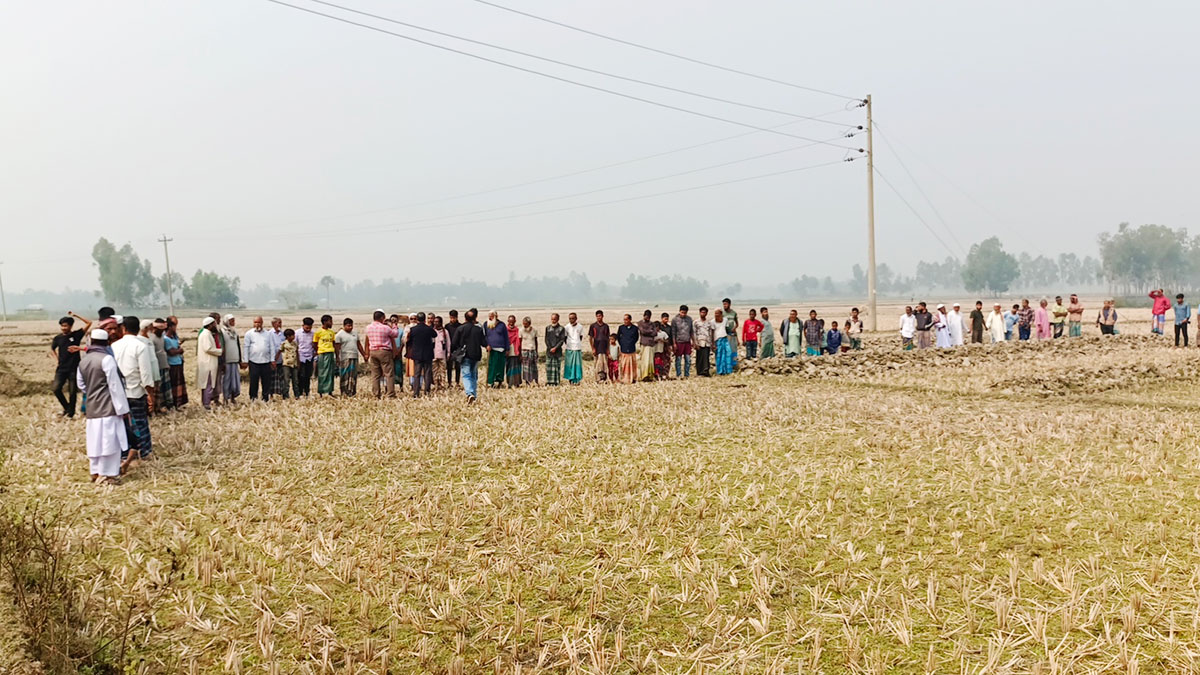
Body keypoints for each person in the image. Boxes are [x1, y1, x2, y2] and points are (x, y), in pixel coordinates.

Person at [76, 328, 129, 485]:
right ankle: (108, 474)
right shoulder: (107, 359)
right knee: (109, 441)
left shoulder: (83, 361)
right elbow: (115, 385)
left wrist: (93, 392)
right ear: (106, 343)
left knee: (95, 441)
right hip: (109, 406)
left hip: (92, 407)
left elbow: (81, 385)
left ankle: (95, 471)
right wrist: (123, 408)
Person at [113, 316, 156, 466]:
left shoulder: (114, 346)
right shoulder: (140, 346)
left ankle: (125, 453)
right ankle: (144, 451)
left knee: (123, 425)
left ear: (123, 328)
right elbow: (145, 373)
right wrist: (150, 394)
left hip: (119, 392)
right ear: (138, 329)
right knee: (140, 422)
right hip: (136, 391)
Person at [50, 312, 91, 418]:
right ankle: (67, 408)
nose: (63, 328)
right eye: (62, 326)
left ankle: (70, 413)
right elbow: (52, 350)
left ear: (70, 326)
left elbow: (89, 323)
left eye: (65, 325)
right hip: (62, 368)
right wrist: (57, 360)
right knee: (56, 388)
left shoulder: (76, 335)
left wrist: (76, 315)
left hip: (74, 368)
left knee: (73, 392)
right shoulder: (57, 338)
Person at [454, 308, 485, 403]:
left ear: (465, 318)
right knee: (473, 375)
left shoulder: (460, 329)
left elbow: (454, 343)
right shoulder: (478, 329)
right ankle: (473, 395)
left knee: (466, 375)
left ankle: (469, 393)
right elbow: (483, 342)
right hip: (476, 355)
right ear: (475, 318)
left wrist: (456, 351)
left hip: (465, 355)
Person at [365, 310, 398, 399]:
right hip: (384, 351)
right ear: (382, 318)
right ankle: (390, 394)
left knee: (375, 375)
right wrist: (394, 325)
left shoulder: (368, 327)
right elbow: (395, 334)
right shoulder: (385, 328)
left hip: (373, 351)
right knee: (389, 373)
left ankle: (376, 394)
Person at [243, 316, 277, 402]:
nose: (257, 324)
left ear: (262, 323)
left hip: (266, 361)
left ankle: (265, 398)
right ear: (253, 323)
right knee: (254, 381)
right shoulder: (249, 334)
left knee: (266, 381)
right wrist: (245, 361)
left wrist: (272, 359)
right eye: (255, 322)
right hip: (253, 361)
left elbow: (272, 347)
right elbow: (246, 347)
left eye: (259, 322)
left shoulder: (268, 334)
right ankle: (253, 398)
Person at [406, 312, 435, 397]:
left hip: (417, 355)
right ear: (425, 319)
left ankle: (416, 393)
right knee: (427, 373)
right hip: (428, 354)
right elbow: (435, 334)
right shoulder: (428, 329)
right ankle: (427, 392)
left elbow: (409, 341)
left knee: (417, 374)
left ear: (417, 320)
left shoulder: (413, 330)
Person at [197, 317, 223, 409]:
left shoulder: (207, 333)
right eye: (214, 324)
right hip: (207, 363)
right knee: (208, 384)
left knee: (207, 384)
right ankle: (206, 404)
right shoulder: (206, 335)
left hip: (208, 363)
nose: (215, 326)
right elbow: (208, 348)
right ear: (210, 325)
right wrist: (220, 351)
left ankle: (205, 402)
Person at [148, 319, 172, 412]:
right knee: (158, 389)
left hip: (164, 364)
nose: (162, 331)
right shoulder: (151, 338)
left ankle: (167, 405)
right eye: (160, 329)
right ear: (155, 328)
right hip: (156, 366)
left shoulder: (162, 336)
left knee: (166, 387)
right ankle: (157, 407)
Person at [335, 318, 363, 397]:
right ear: (344, 326)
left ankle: (352, 391)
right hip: (345, 357)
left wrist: (364, 354)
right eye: (348, 326)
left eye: (351, 326)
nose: (350, 327)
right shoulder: (339, 335)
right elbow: (337, 348)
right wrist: (337, 357)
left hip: (354, 356)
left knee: (353, 375)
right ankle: (344, 391)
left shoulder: (355, 333)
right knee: (345, 374)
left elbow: (359, 345)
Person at [164, 317, 188, 408]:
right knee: (174, 384)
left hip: (178, 362)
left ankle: (179, 402)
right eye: (174, 326)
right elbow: (171, 352)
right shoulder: (166, 339)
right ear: (170, 327)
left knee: (179, 384)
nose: (175, 328)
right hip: (172, 364)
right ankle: (173, 403)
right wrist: (179, 350)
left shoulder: (173, 337)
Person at [313, 315, 338, 397]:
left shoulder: (331, 332)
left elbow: (334, 343)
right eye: (330, 321)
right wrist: (319, 351)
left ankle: (330, 391)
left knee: (330, 373)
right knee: (322, 373)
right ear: (325, 322)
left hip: (330, 353)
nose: (332, 323)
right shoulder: (318, 332)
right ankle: (321, 391)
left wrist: (336, 355)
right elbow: (314, 343)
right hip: (322, 354)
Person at [219, 315, 242, 403]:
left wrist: (240, 360)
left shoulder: (234, 332)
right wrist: (222, 361)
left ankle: (233, 397)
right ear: (227, 322)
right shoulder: (222, 332)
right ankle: (225, 398)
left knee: (234, 380)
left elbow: (238, 346)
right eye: (231, 321)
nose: (233, 323)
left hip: (234, 360)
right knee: (226, 380)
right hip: (227, 360)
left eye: (234, 321)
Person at [668, 306, 694, 377]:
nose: (683, 314)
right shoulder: (675, 320)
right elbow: (673, 333)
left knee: (688, 360)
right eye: (682, 312)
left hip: (687, 341)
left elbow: (691, 331)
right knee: (678, 360)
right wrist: (674, 343)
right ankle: (678, 374)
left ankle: (687, 374)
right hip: (679, 342)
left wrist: (693, 341)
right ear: (679, 311)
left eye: (685, 313)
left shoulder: (689, 319)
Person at [484, 311, 508, 388]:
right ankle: (491, 382)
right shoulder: (486, 324)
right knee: (492, 366)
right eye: (489, 316)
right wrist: (486, 345)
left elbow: (506, 337)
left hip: (501, 349)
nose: (490, 317)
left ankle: (499, 381)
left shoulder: (502, 325)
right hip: (492, 349)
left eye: (492, 316)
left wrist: (507, 348)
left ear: (496, 316)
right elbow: (484, 336)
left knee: (500, 366)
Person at [563, 312, 586, 385]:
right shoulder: (566, 327)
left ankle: (577, 379)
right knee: (569, 364)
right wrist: (569, 344)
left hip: (577, 348)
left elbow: (580, 337)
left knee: (577, 364)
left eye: (573, 318)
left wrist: (576, 343)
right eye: (570, 318)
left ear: (576, 318)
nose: (571, 320)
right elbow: (565, 338)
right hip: (569, 348)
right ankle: (570, 379)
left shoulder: (580, 327)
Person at [587, 311, 609, 383]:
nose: (599, 317)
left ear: (603, 316)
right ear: (596, 316)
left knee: (604, 363)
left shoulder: (606, 326)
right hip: (597, 347)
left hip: (604, 347)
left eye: (600, 316)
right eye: (597, 316)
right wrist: (593, 348)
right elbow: (590, 338)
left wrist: (608, 348)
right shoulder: (593, 326)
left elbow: (608, 338)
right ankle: (598, 379)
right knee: (597, 363)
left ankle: (604, 378)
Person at [616, 314, 639, 384]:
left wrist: (631, 343)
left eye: (626, 319)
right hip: (623, 349)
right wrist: (622, 344)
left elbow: (636, 338)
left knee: (632, 365)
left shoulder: (635, 328)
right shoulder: (621, 328)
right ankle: (623, 378)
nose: (625, 321)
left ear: (630, 320)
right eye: (624, 320)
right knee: (623, 365)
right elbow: (618, 337)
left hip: (631, 349)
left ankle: (632, 378)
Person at [296, 317, 316, 397]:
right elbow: (295, 345)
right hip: (300, 357)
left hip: (309, 357)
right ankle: (300, 392)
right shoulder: (297, 333)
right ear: (303, 325)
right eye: (307, 327)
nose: (308, 329)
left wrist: (314, 354)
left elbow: (314, 345)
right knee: (301, 376)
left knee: (308, 376)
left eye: (310, 328)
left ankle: (307, 392)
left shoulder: (313, 334)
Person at [545, 313, 566, 386]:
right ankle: (549, 381)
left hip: (557, 351)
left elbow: (562, 340)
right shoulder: (548, 328)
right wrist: (550, 348)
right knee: (549, 366)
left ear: (558, 319)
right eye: (552, 319)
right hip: (549, 351)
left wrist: (555, 348)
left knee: (556, 367)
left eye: (554, 319)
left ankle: (556, 381)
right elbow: (546, 339)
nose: (553, 321)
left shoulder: (561, 329)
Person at [636, 310, 658, 381]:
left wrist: (648, 332)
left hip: (651, 344)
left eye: (649, 317)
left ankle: (649, 375)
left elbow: (655, 333)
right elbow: (642, 331)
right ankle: (644, 375)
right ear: (644, 316)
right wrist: (650, 331)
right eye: (646, 316)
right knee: (644, 360)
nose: (647, 318)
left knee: (650, 361)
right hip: (644, 344)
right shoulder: (640, 323)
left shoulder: (652, 324)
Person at [431, 315, 451, 391]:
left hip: (442, 354)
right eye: (434, 322)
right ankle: (436, 385)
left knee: (442, 371)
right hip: (434, 354)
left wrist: (448, 353)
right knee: (435, 372)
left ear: (441, 323)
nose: (435, 323)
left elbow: (448, 343)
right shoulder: (432, 331)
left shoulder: (445, 332)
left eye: (437, 322)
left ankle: (442, 386)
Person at [269, 318, 287, 399]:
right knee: (271, 378)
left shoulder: (283, 334)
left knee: (282, 377)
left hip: (281, 359)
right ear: (273, 324)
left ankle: (283, 394)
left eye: (281, 323)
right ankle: (271, 394)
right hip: (272, 359)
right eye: (278, 323)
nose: (280, 324)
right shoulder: (269, 333)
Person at [693, 307, 715, 374]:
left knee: (706, 356)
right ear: (699, 313)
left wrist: (712, 342)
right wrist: (695, 343)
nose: (703, 314)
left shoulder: (709, 322)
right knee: (699, 356)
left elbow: (711, 332)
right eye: (702, 312)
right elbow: (694, 332)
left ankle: (706, 371)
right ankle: (699, 371)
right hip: (699, 341)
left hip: (707, 341)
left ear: (706, 313)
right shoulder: (696, 322)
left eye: (704, 312)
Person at [713, 309, 734, 375]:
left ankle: (727, 370)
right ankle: (720, 371)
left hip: (725, 339)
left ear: (721, 314)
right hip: (717, 340)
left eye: (718, 313)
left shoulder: (725, 320)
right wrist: (713, 343)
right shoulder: (712, 322)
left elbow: (727, 329)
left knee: (728, 353)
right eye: (715, 313)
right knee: (719, 355)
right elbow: (712, 333)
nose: (716, 315)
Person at [519, 316, 539, 385]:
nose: (524, 325)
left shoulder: (534, 330)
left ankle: (536, 380)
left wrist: (537, 351)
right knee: (526, 367)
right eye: (523, 323)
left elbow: (536, 341)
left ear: (529, 323)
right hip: (524, 350)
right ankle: (527, 381)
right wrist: (520, 354)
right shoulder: (521, 330)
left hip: (532, 350)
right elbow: (519, 342)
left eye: (526, 324)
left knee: (534, 367)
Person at [445, 310, 462, 388]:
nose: (452, 319)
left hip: (458, 349)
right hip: (449, 349)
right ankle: (449, 382)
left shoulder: (460, 326)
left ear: (457, 317)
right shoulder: (447, 326)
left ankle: (457, 382)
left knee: (458, 367)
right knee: (449, 367)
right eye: (451, 318)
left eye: (454, 318)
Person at [280, 329, 299, 399]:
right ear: (288, 336)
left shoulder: (295, 343)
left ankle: (296, 394)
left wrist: (298, 362)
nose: (294, 336)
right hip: (286, 364)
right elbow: (280, 351)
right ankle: (285, 395)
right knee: (286, 380)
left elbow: (297, 352)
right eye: (292, 335)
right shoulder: (284, 344)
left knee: (295, 380)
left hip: (294, 363)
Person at [505, 315, 522, 388]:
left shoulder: (517, 330)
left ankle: (516, 382)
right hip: (508, 350)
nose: (511, 323)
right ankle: (509, 383)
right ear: (508, 321)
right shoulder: (505, 330)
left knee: (516, 367)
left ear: (515, 321)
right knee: (509, 367)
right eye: (510, 322)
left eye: (512, 322)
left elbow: (520, 341)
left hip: (515, 350)